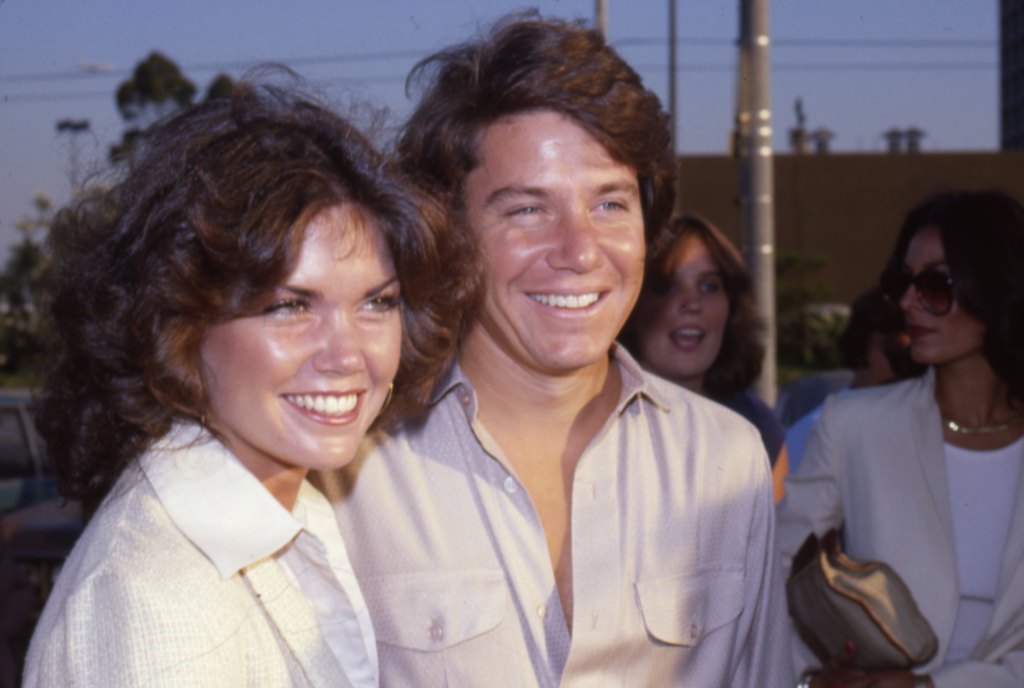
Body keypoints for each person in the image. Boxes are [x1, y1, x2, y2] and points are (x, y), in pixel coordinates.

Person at [316, 13, 791, 687]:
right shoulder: (347, 470)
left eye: (609, 205)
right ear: (449, 233)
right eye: (527, 210)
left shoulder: (725, 462)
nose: (578, 252)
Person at [23, 78, 470, 686]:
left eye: (377, 303)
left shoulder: (291, 508)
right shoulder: (156, 601)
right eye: (290, 307)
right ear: (178, 323)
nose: (347, 355)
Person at [776, 189, 1024, 688]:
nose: (909, 300)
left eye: (937, 284)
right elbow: (780, 575)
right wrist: (813, 677)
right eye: (901, 281)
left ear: (995, 287)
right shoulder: (854, 424)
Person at [620, 213, 788, 495]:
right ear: (631, 304)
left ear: (732, 307)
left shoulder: (756, 424)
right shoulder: (588, 419)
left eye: (709, 286)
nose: (692, 303)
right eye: (667, 286)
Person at [784, 286, 923, 473]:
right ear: (861, 344)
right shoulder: (819, 432)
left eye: (912, 350)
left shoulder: (924, 427)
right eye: (894, 348)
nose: (904, 362)